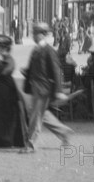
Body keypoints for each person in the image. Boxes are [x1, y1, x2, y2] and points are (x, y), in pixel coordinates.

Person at [20, 22, 73, 154]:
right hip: (35, 87)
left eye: (36, 33)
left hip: (43, 89)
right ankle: (63, 131)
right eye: (34, 33)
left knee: (35, 116)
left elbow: (56, 71)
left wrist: (59, 91)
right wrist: (27, 72)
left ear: (44, 35)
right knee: (41, 115)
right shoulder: (36, 50)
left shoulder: (49, 51)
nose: (34, 36)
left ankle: (30, 145)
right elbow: (36, 69)